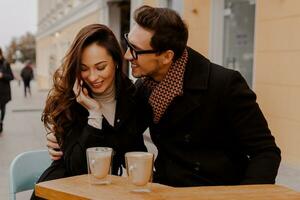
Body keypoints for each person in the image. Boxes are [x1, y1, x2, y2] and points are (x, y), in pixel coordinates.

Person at [47, 6, 281, 187]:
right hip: (164, 191)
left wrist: (246, 195)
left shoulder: (224, 84)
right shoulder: (143, 89)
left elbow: (266, 152)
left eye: (136, 51)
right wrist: (66, 139)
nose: (127, 55)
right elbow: (118, 136)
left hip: (215, 190)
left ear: (167, 56)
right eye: (128, 44)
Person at [31, 24, 146, 199]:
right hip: (61, 191)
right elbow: (79, 169)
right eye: (84, 69)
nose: (92, 77)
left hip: (106, 192)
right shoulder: (68, 101)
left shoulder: (131, 95)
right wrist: (94, 114)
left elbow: (133, 152)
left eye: (100, 67)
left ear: (116, 61)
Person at [0, 47, 14, 133]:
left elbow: (11, 77)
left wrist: (2, 76)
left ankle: (1, 122)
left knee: (3, 108)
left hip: (4, 91)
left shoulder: (6, 64)